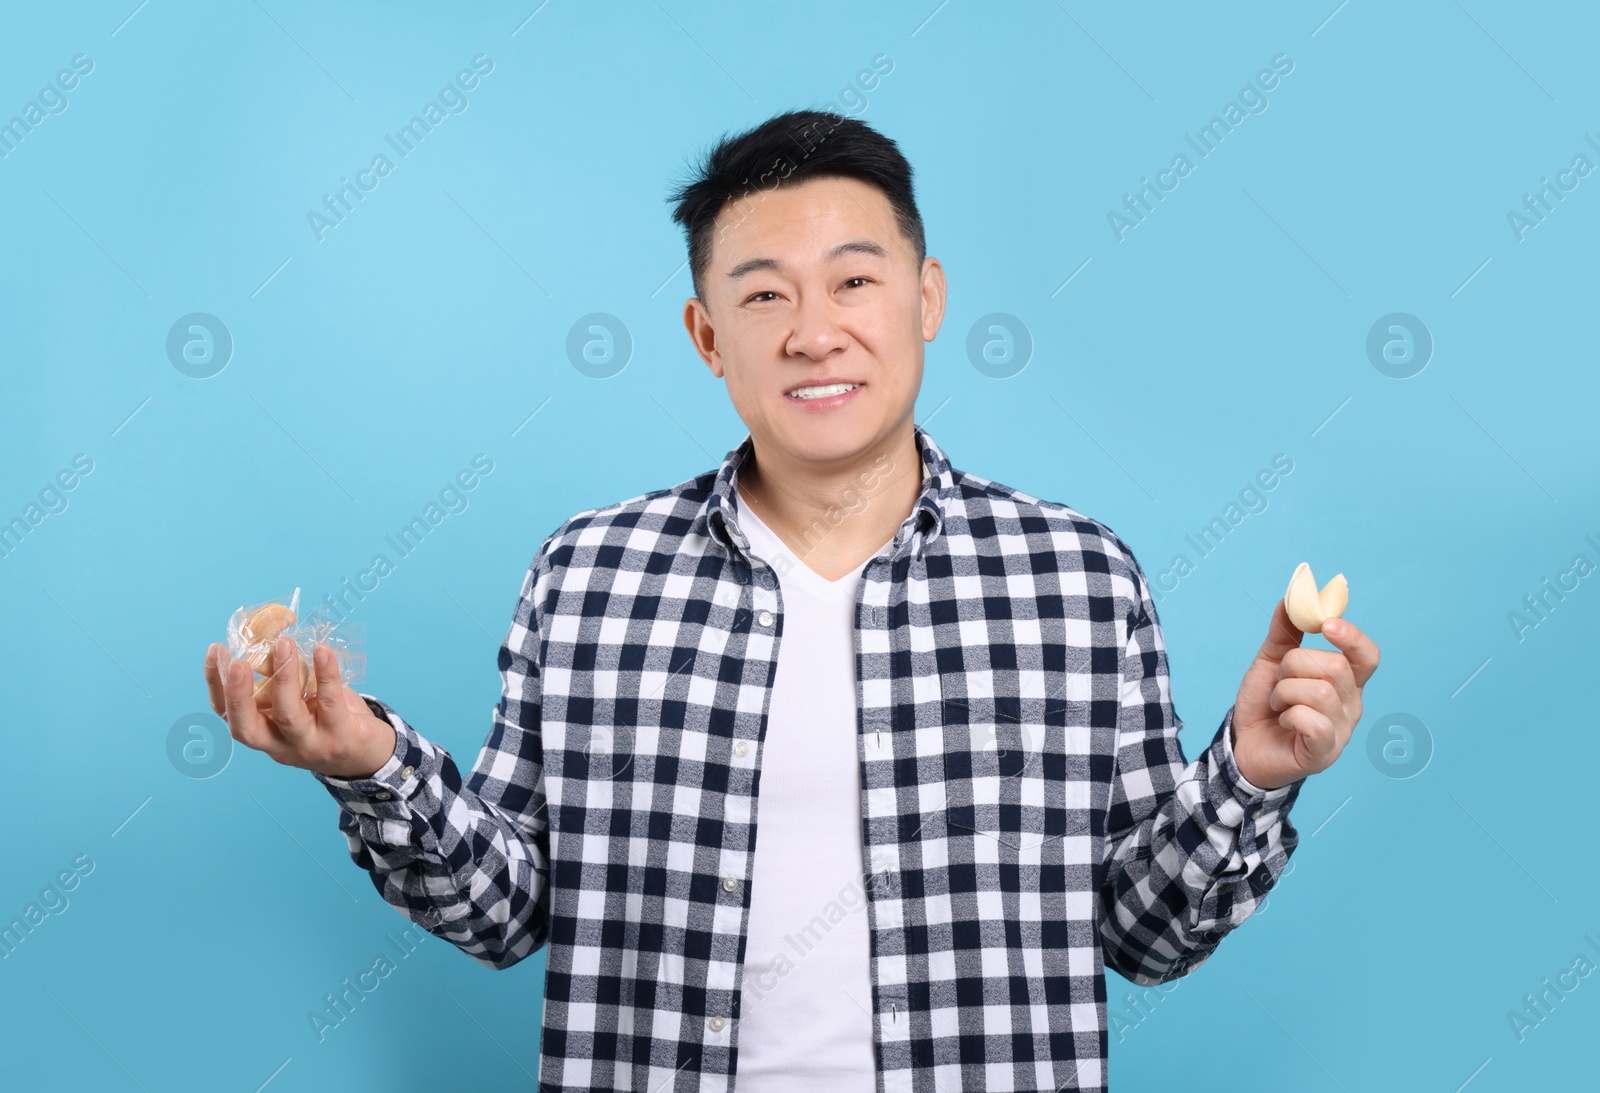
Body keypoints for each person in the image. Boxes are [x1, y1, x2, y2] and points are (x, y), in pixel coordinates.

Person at [203, 109, 1380, 1092]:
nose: (816, 332)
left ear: (925, 296)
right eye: (762, 297)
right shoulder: (589, 576)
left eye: (854, 280)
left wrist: (1252, 772)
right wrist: (364, 762)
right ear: (707, 336)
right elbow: (507, 910)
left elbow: (1142, 936)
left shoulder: (1076, 577)